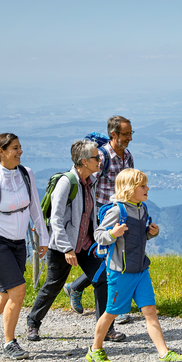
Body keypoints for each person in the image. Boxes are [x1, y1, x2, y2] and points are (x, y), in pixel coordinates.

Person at [87, 168, 182, 362]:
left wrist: (152, 233)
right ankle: (95, 350)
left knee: (150, 312)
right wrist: (113, 232)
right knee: (111, 313)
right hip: (121, 273)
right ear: (129, 189)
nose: (147, 188)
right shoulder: (117, 210)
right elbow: (99, 235)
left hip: (141, 270)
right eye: (142, 186)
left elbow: (138, 238)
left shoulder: (142, 209)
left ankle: (164, 355)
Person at [26, 140, 125, 342]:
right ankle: (32, 324)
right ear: (83, 161)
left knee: (102, 279)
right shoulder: (66, 183)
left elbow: (90, 214)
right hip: (63, 246)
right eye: (96, 157)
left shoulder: (90, 181)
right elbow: (56, 219)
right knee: (53, 284)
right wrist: (67, 248)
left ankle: (105, 329)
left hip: (86, 245)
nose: (100, 160)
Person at [0, 133, 49, 359]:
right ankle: (9, 343)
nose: (20, 152)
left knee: (6, 295)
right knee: (18, 290)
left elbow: (35, 208)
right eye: (15, 148)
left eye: (20, 147)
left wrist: (44, 238)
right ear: (1, 151)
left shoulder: (26, 174)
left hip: (19, 243)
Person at [64, 116, 134, 326]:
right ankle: (115, 309)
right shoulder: (102, 156)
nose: (129, 138)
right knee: (110, 261)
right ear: (113, 134)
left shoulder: (127, 156)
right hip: (101, 216)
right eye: (125, 134)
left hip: (120, 213)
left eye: (131, 133)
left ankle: (76, 287)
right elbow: (88, 183)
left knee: (117, 259)